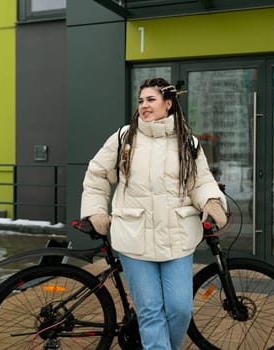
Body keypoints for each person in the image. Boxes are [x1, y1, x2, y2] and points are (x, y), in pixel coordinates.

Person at [80, 77, 227, 350]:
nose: (144, 105)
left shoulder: (188, 143)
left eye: (151, 100)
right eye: (141, 100)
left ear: (168, 104)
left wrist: (212, 201)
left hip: (178, 238)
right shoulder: (125, 137)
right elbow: (97, 174)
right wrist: (96, 211)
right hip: (135, 239)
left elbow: (201, 181)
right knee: (150, 311)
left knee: (180, 309)